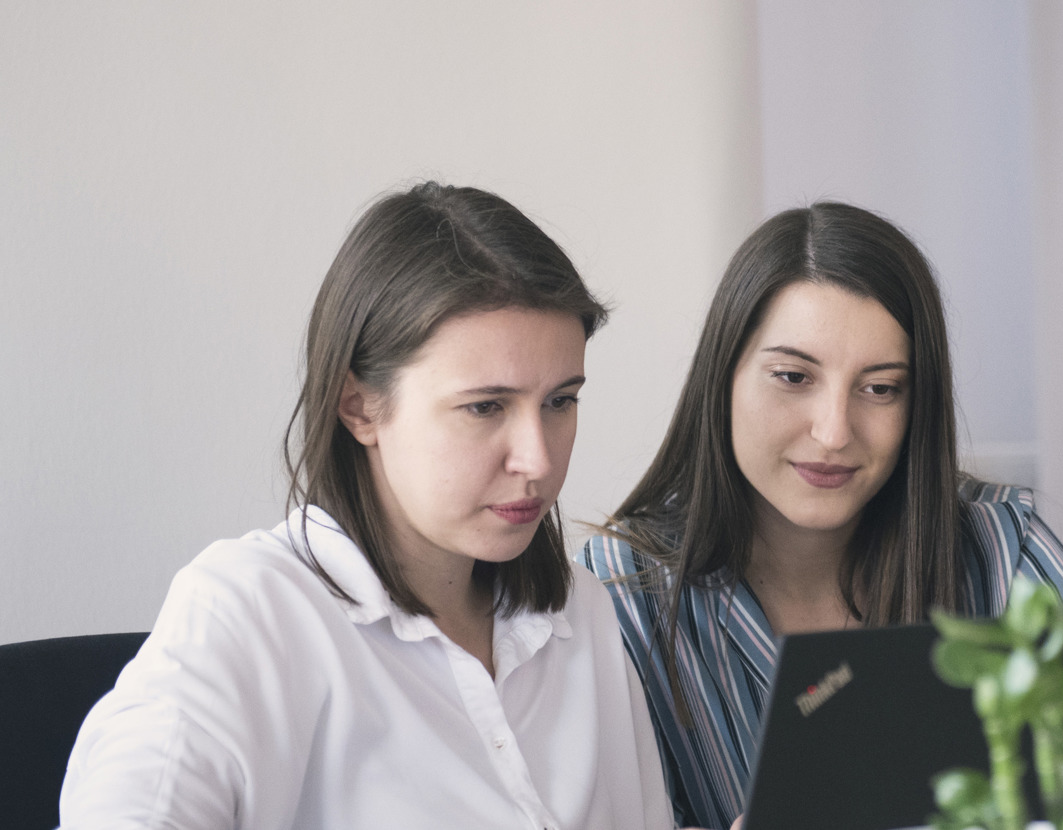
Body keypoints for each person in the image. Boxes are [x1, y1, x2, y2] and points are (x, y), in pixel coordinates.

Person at [580, 202, 1063, 830]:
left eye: (880, 389)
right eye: (793, 377)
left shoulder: (997, 544)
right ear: (721, 377)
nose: (835, 431)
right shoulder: (615, 592)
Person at [60, 183, 671, 829]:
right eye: (485, 407)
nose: (539, 460)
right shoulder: (250, 610)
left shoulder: (579, 607)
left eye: (560, 401)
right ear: (359, 407)